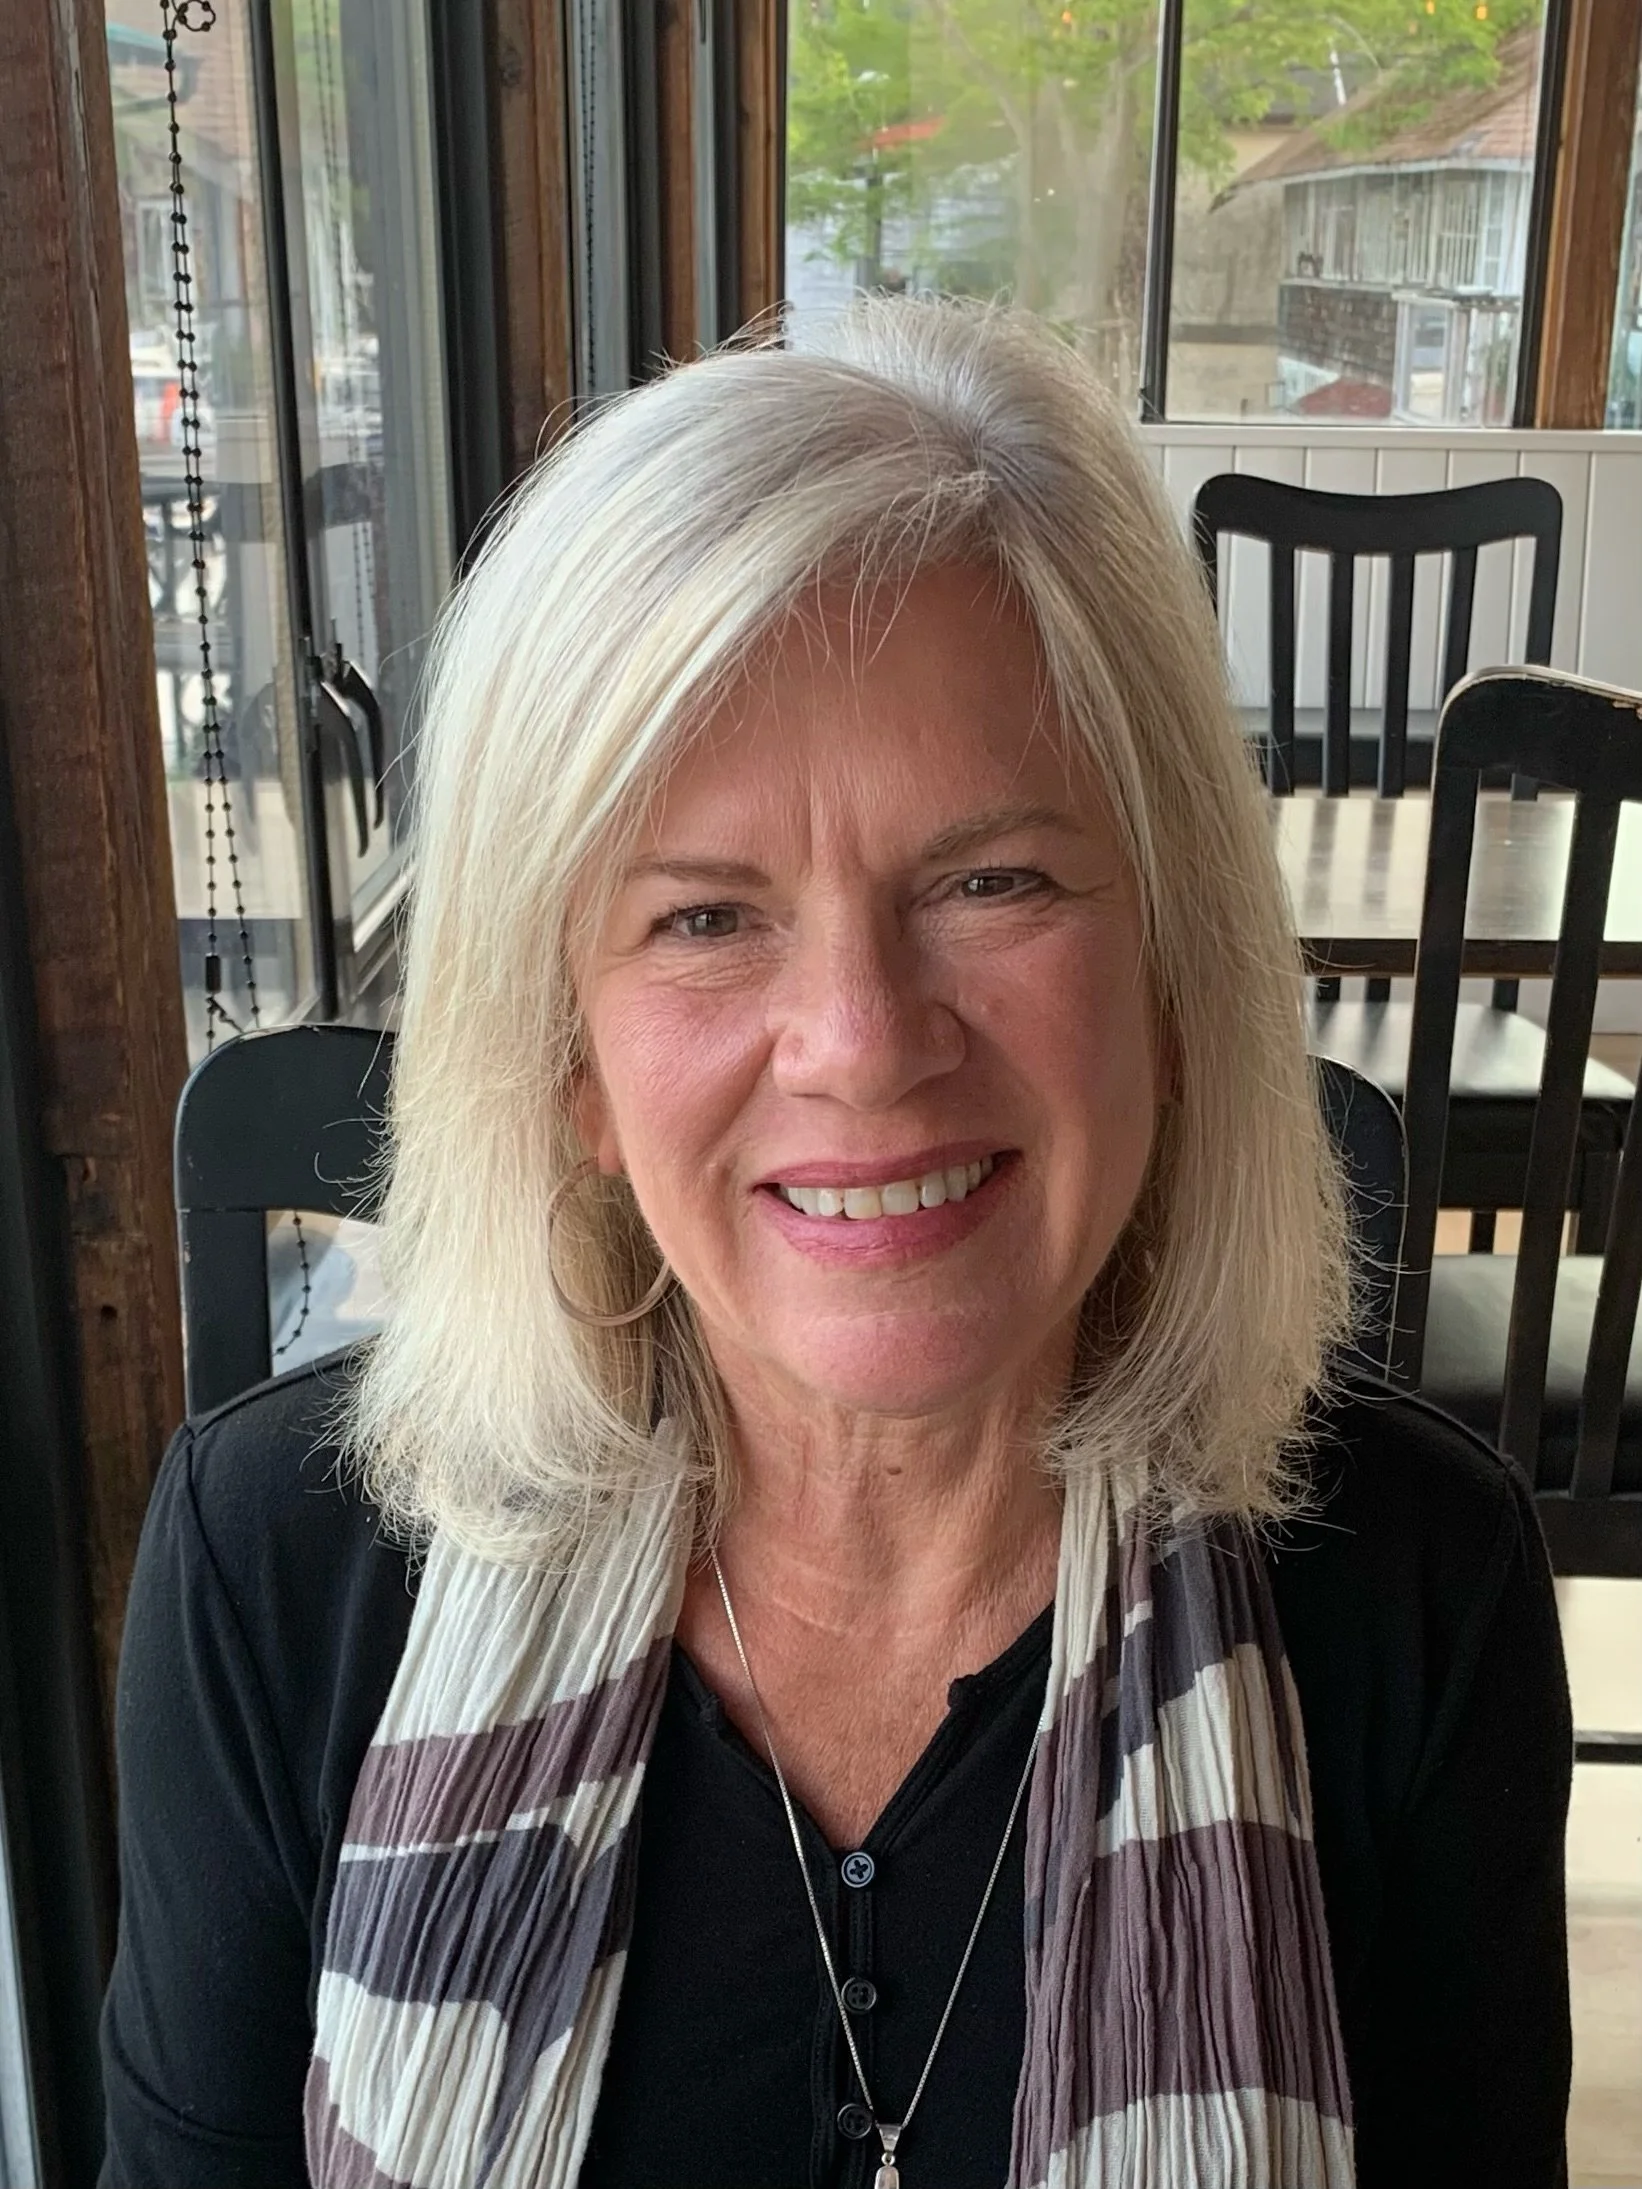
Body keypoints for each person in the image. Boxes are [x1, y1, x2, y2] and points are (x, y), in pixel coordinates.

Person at [100, 299, 1572, 2189]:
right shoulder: (277, 1571)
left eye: (990, 880)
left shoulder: (1412, 1591)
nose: (863, 1044)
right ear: (565, 1056)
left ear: (1170, 973)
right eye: (706, 919)